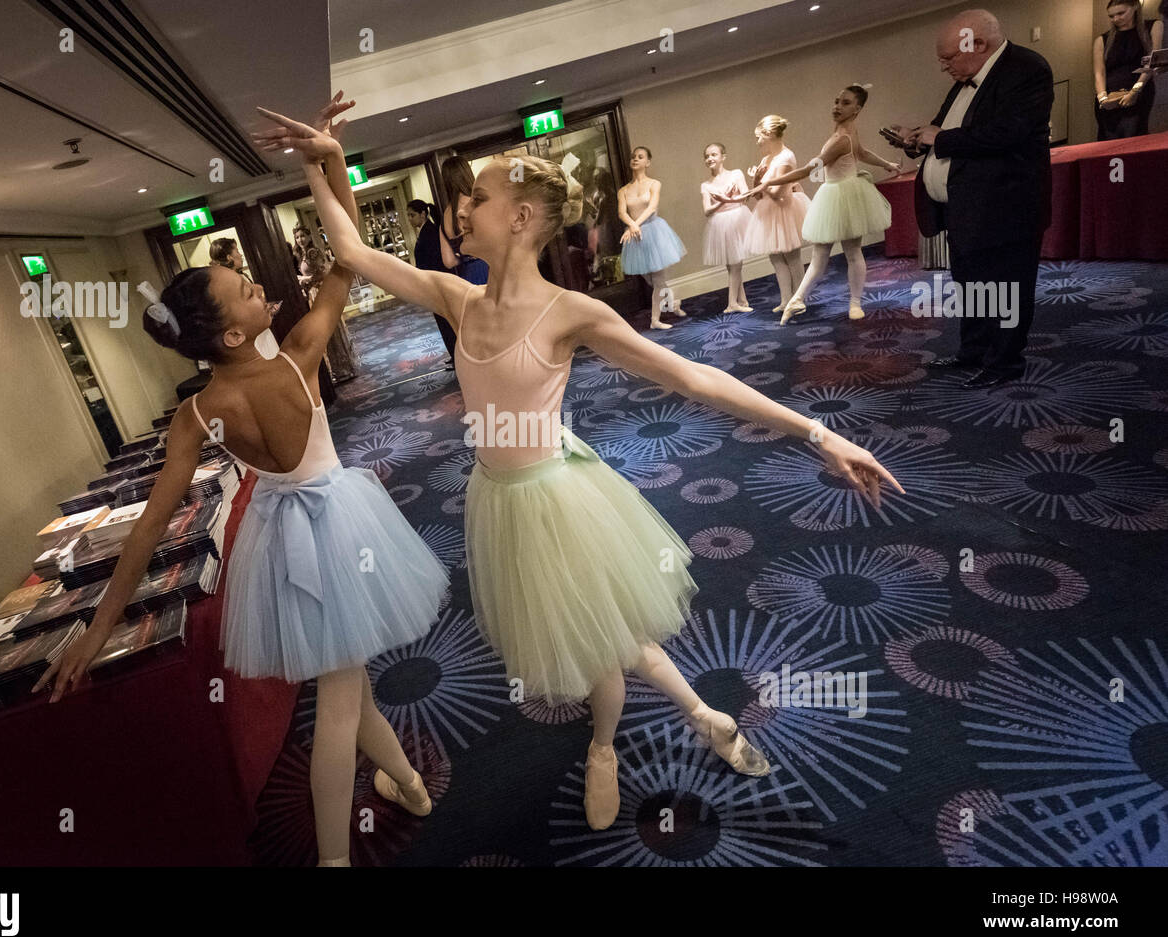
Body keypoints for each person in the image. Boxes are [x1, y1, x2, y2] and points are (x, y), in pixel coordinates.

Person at [255, 107, 906, 832]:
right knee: (605, 631)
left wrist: (819, 434)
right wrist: (325, 161)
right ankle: (708, 717)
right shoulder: (454, 295)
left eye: (480, 197)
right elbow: (349, 245)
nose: (464, 207)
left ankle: (604, 749)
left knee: (597, 648)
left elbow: (696, 380)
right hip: (496, 498)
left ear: (521, 216)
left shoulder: (571, 313)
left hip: (557, 499)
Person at [37, 94, 449, 868]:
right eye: (245, 289)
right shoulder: (300, 350)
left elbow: (154, 522)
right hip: (344, 534)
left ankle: (407, 786)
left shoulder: (200, 412)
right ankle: (333, 859)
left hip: (284, 543)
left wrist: (97, 627)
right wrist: (328, 161)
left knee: (346, 687)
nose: (259, 283)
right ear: (234, 332)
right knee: (336, 705)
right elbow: (347, 254)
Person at [890, 9, 1053, 389]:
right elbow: (947, 132)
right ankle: (976, 351)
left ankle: (1004, 363)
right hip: (966, 210)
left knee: (1007, 288)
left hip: (1007, 209)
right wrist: (917, 140)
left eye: (949, 58)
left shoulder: (1027, 69)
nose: (944, 67)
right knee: (973, 285)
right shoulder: (966, 80)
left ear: (976, 44)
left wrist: (939, 139)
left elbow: (1006, 135)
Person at [742, 87, 899, 323]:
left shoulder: (843, 138)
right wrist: (886, 163)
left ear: (857, 109)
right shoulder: (844, 132)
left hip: (846, 194)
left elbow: (808, 170)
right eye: (836, 101)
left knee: (852, 252)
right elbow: (862, 152)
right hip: (834, 194)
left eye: (845, 103)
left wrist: (768, 182)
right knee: (821, 253)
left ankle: (853, 303)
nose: (837, 106)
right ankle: (797, 299)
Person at [742, 115, 811, 315]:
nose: (757, 142)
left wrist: (762, 180)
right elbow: (760, 194)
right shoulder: (766, 159)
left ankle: (799, 299)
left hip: (785, 210)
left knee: (792, 257)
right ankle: (785, 299)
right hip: (769, 211)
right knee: (776, 258)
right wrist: (757, 180)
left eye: (759, 137)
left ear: (769, 134)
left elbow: (779, 193)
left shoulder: (786, 157)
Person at [618, 146, 688, 330]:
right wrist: (632, 225)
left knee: (657, 280)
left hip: (654, 232)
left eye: (640, 157)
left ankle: (655, 320)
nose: (635, 159)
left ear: (647, 162)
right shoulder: (623, 190)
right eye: (633, 157)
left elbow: (651, 208)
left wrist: (634, 225)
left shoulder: (654, 184)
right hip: (636, 237)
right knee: (652, 280)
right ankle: (674, 304)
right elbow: (621, 213)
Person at [1094, 0, 1163, 141]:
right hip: (1110, 97)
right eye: (1111, 16)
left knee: (1134, 137)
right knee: (1108, 140)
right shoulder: (1102, 39)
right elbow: (1099, 72)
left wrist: (1135, 91)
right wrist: (1103, 98)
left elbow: (1152, 61)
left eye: (1121, 13)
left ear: (1135, 7)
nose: (1116, 19)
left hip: (1139, 91)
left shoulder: (1153, 26)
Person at [700, 143, 754, 313]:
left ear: (723, 156)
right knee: (732, 265)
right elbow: (707, 211)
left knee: (736, 263)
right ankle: (737, 301)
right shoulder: (705, 185)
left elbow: (745, 196)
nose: (710, 159)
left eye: (714, 155)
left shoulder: (736, 174)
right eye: (707, 156)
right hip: (719, 223)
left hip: (737, 218)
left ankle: (736, 302)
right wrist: (722, 201)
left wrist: (730, 198)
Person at [408, 198, 457, 365]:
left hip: (437, 283)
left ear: (423, 214)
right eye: (408, 215)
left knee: (445, 320)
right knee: (443, 320)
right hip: (434, 283)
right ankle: (454, 354)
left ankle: (456, 356)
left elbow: (435, 260)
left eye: (412, 215)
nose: (409, 219)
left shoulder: (430, 231)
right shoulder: (426, 230)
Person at [439, 155, 490, 286]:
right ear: (467, 174)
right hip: (490, 267)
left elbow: (448, 261)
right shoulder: (476, 203)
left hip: (468, 276)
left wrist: (465, 256)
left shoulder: (446, 215)